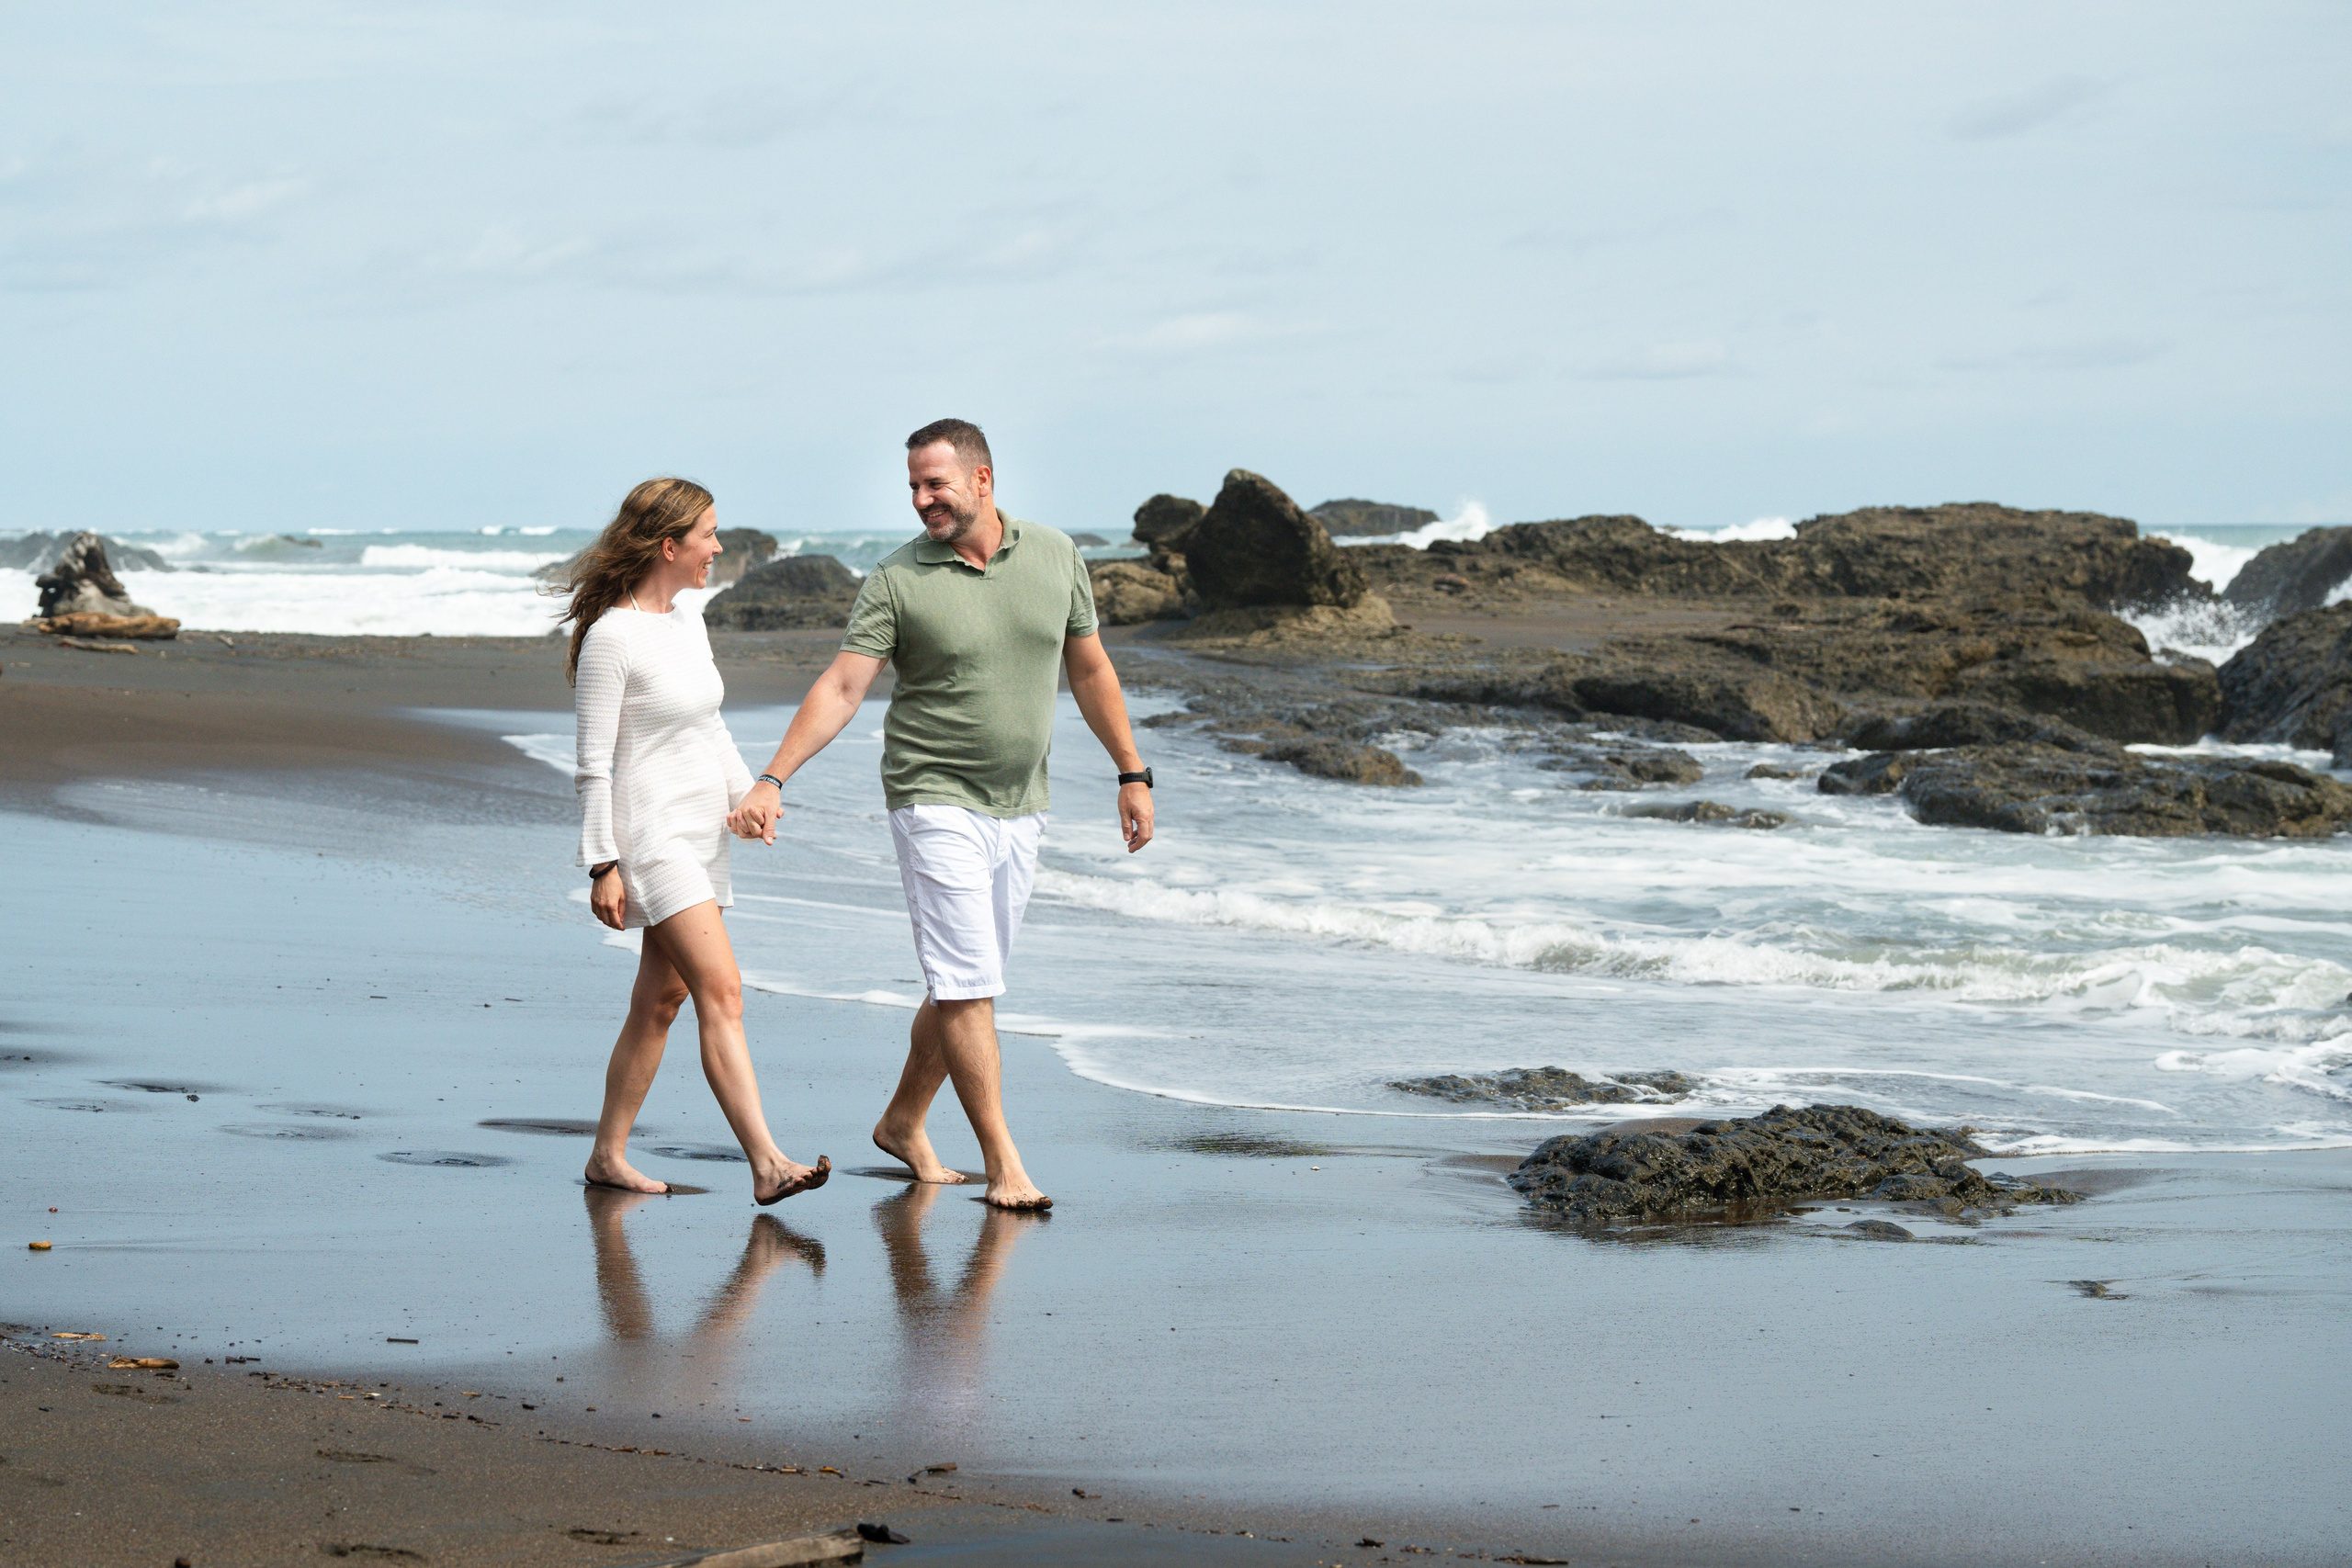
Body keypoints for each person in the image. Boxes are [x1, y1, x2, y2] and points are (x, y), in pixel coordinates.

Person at [729, 420, 1153, 1211]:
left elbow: (1090, 667)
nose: (923, 501)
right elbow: (843, 687)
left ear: (983, 479)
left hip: (1023, 802)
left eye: (937, 485)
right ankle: (1005, 1164)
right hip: (932, 796)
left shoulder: (1058, 555)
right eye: (915, 488)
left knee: (968, 979)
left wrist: (1132, 771)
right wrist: (773, 777)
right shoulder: (896, 579)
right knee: (967, 986)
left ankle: (901, 1120)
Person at [560, 477, 831, 1204]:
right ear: (669, 544)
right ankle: (768, 1163)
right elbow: (592, 762)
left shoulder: (688, 621)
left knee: (661, 1000)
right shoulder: (611, 638)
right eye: (709, 534)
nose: (719, 547)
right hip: (648, 834)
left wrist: (748, 795)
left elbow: (707, 725)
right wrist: (602, 863)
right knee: (723, 988)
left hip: (699, 827)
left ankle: (607, 1155)